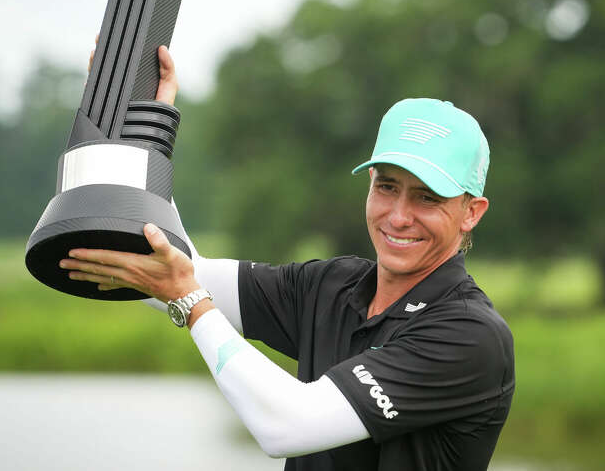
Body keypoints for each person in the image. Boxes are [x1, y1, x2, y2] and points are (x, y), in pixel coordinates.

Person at [60, 46, 515, 470]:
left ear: (471, 212)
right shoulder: (333, 285)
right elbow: (174, 270)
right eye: (387, 187)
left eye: (427, 198)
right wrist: (140, 131)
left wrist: (191, 304)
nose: (398, 216)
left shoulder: (470, 335)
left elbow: (287, 425)